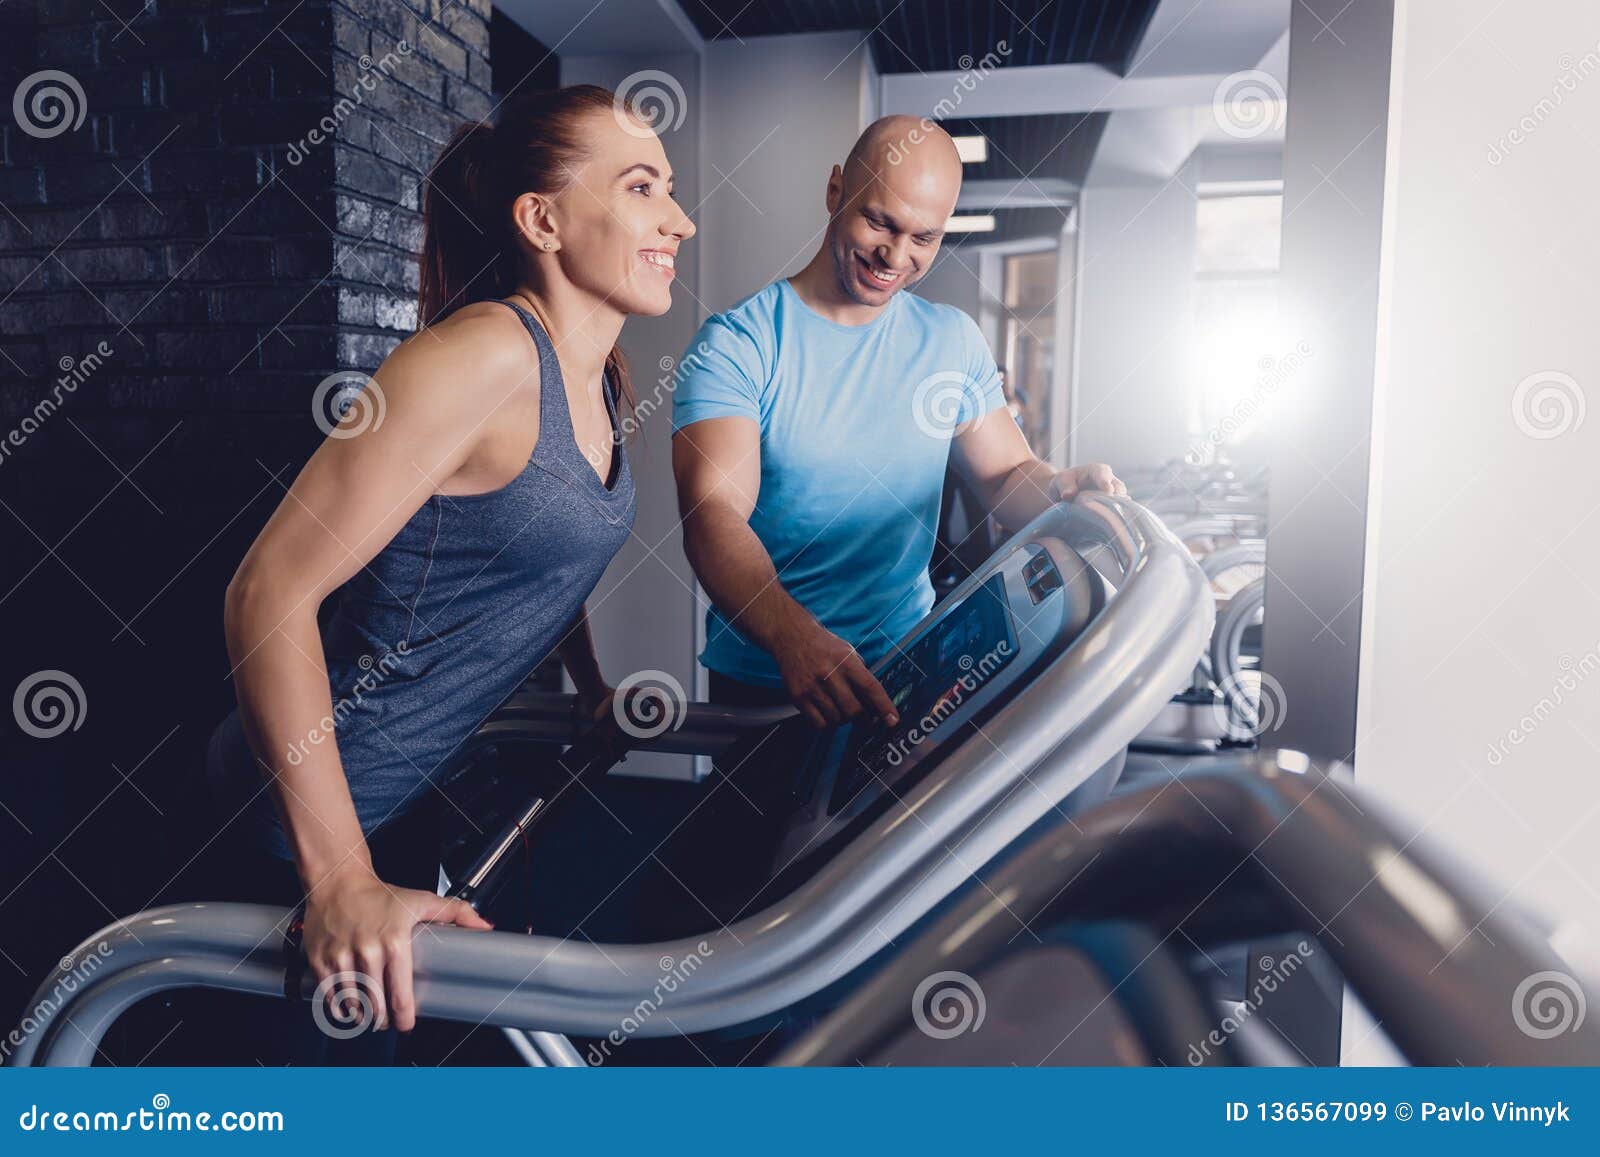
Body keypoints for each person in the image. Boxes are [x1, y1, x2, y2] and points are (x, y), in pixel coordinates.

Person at [197, 84, 695, 1063]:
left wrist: (590, 687)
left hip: (404, 793)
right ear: (541, 219)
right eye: (642, 189)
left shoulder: (600, 375)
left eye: (670, 189)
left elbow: (543, 547)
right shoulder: (474, 361)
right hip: (297, 818)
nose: (678, 219)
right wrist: (337, 874)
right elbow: (265, 594)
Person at [670, 115, 1125, 724]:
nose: (896, 256)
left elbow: (1004, 473)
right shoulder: (740, 343)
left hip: (908, 666)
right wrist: (792, 638)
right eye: (879, 222)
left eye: (924, 238)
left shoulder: (950, 339)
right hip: (771, 678)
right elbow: (714, 516)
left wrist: (1059, 486)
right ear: (835, 192)